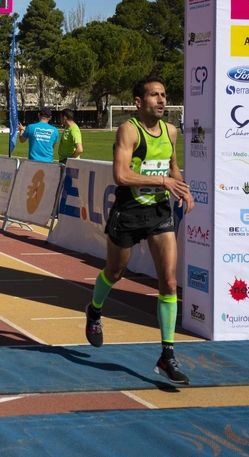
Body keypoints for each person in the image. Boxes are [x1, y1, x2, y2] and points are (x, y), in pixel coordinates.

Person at [84, 76, 194, 385]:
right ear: (138, 101)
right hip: (129, 212)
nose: (161, 100)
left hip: (159, 212)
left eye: (164, 95)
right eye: (154, 95)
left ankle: (167, 354)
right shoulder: (129, 130)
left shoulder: (171, 131)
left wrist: (183, 189)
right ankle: (94, 310)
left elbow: (172, 167)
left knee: (169, 281)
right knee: (115, 272)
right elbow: (120, 175)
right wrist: (162, 182)